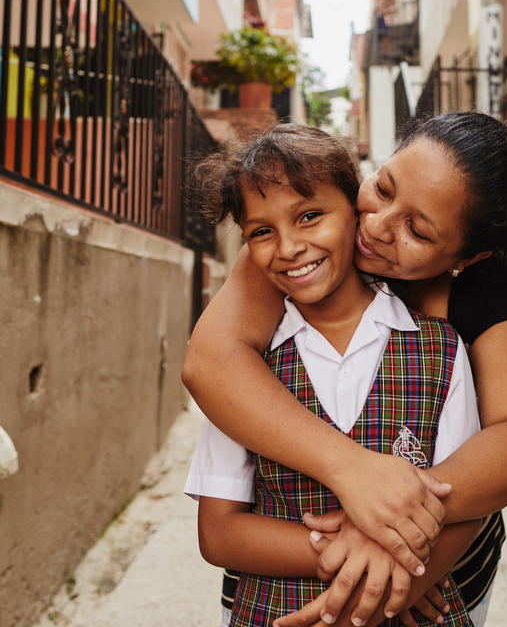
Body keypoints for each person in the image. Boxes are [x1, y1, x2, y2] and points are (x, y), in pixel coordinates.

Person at [184, 112, 507, 627]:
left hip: (437, 580)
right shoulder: (299, 240)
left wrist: (394, 564)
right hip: (280, 592)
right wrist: (355, 471)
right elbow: (212, 365)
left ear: (467, 257)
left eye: (417, 230)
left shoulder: (480, 299)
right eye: (383, 188)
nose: (377, 226)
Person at [184, 124, 482, 626]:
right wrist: (349, 552)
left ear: (356, 214)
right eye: (261, 231)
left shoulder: (439, 348)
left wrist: (392, 568)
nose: (288, 247)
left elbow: (464, 507)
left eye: (309, 216)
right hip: (277, 612)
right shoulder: (245, 373)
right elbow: (218, 533)